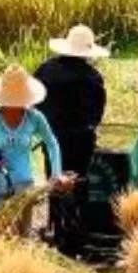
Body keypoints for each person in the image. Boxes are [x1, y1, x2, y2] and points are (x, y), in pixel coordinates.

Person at [0, 64, 71, 232]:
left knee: (22, 235)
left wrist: (56, 173)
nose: (15, 105)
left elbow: (51, 143)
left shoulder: (34, 118)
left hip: (23, 186)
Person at [34, 24, 109, 257]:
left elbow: (35, 101)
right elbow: (97, 113)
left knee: (55, 181)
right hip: (81, 141)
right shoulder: (93, 78)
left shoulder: (45, 71)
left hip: (52, 136)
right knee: (78, 184)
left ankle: (56, 230)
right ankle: (77, 236)